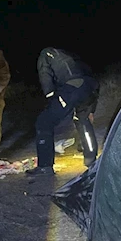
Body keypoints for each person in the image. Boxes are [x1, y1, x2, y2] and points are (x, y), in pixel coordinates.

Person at [28, 47, 99, 175]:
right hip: (90, 87)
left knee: (44, 122)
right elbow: (91, 77)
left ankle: (45, 166)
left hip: (73, 87)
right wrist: (92, 109)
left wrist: (51, 98)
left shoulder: (46, 53)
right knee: (83, 120)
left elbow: (45, 76)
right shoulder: (72, 56)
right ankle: (91, 160)